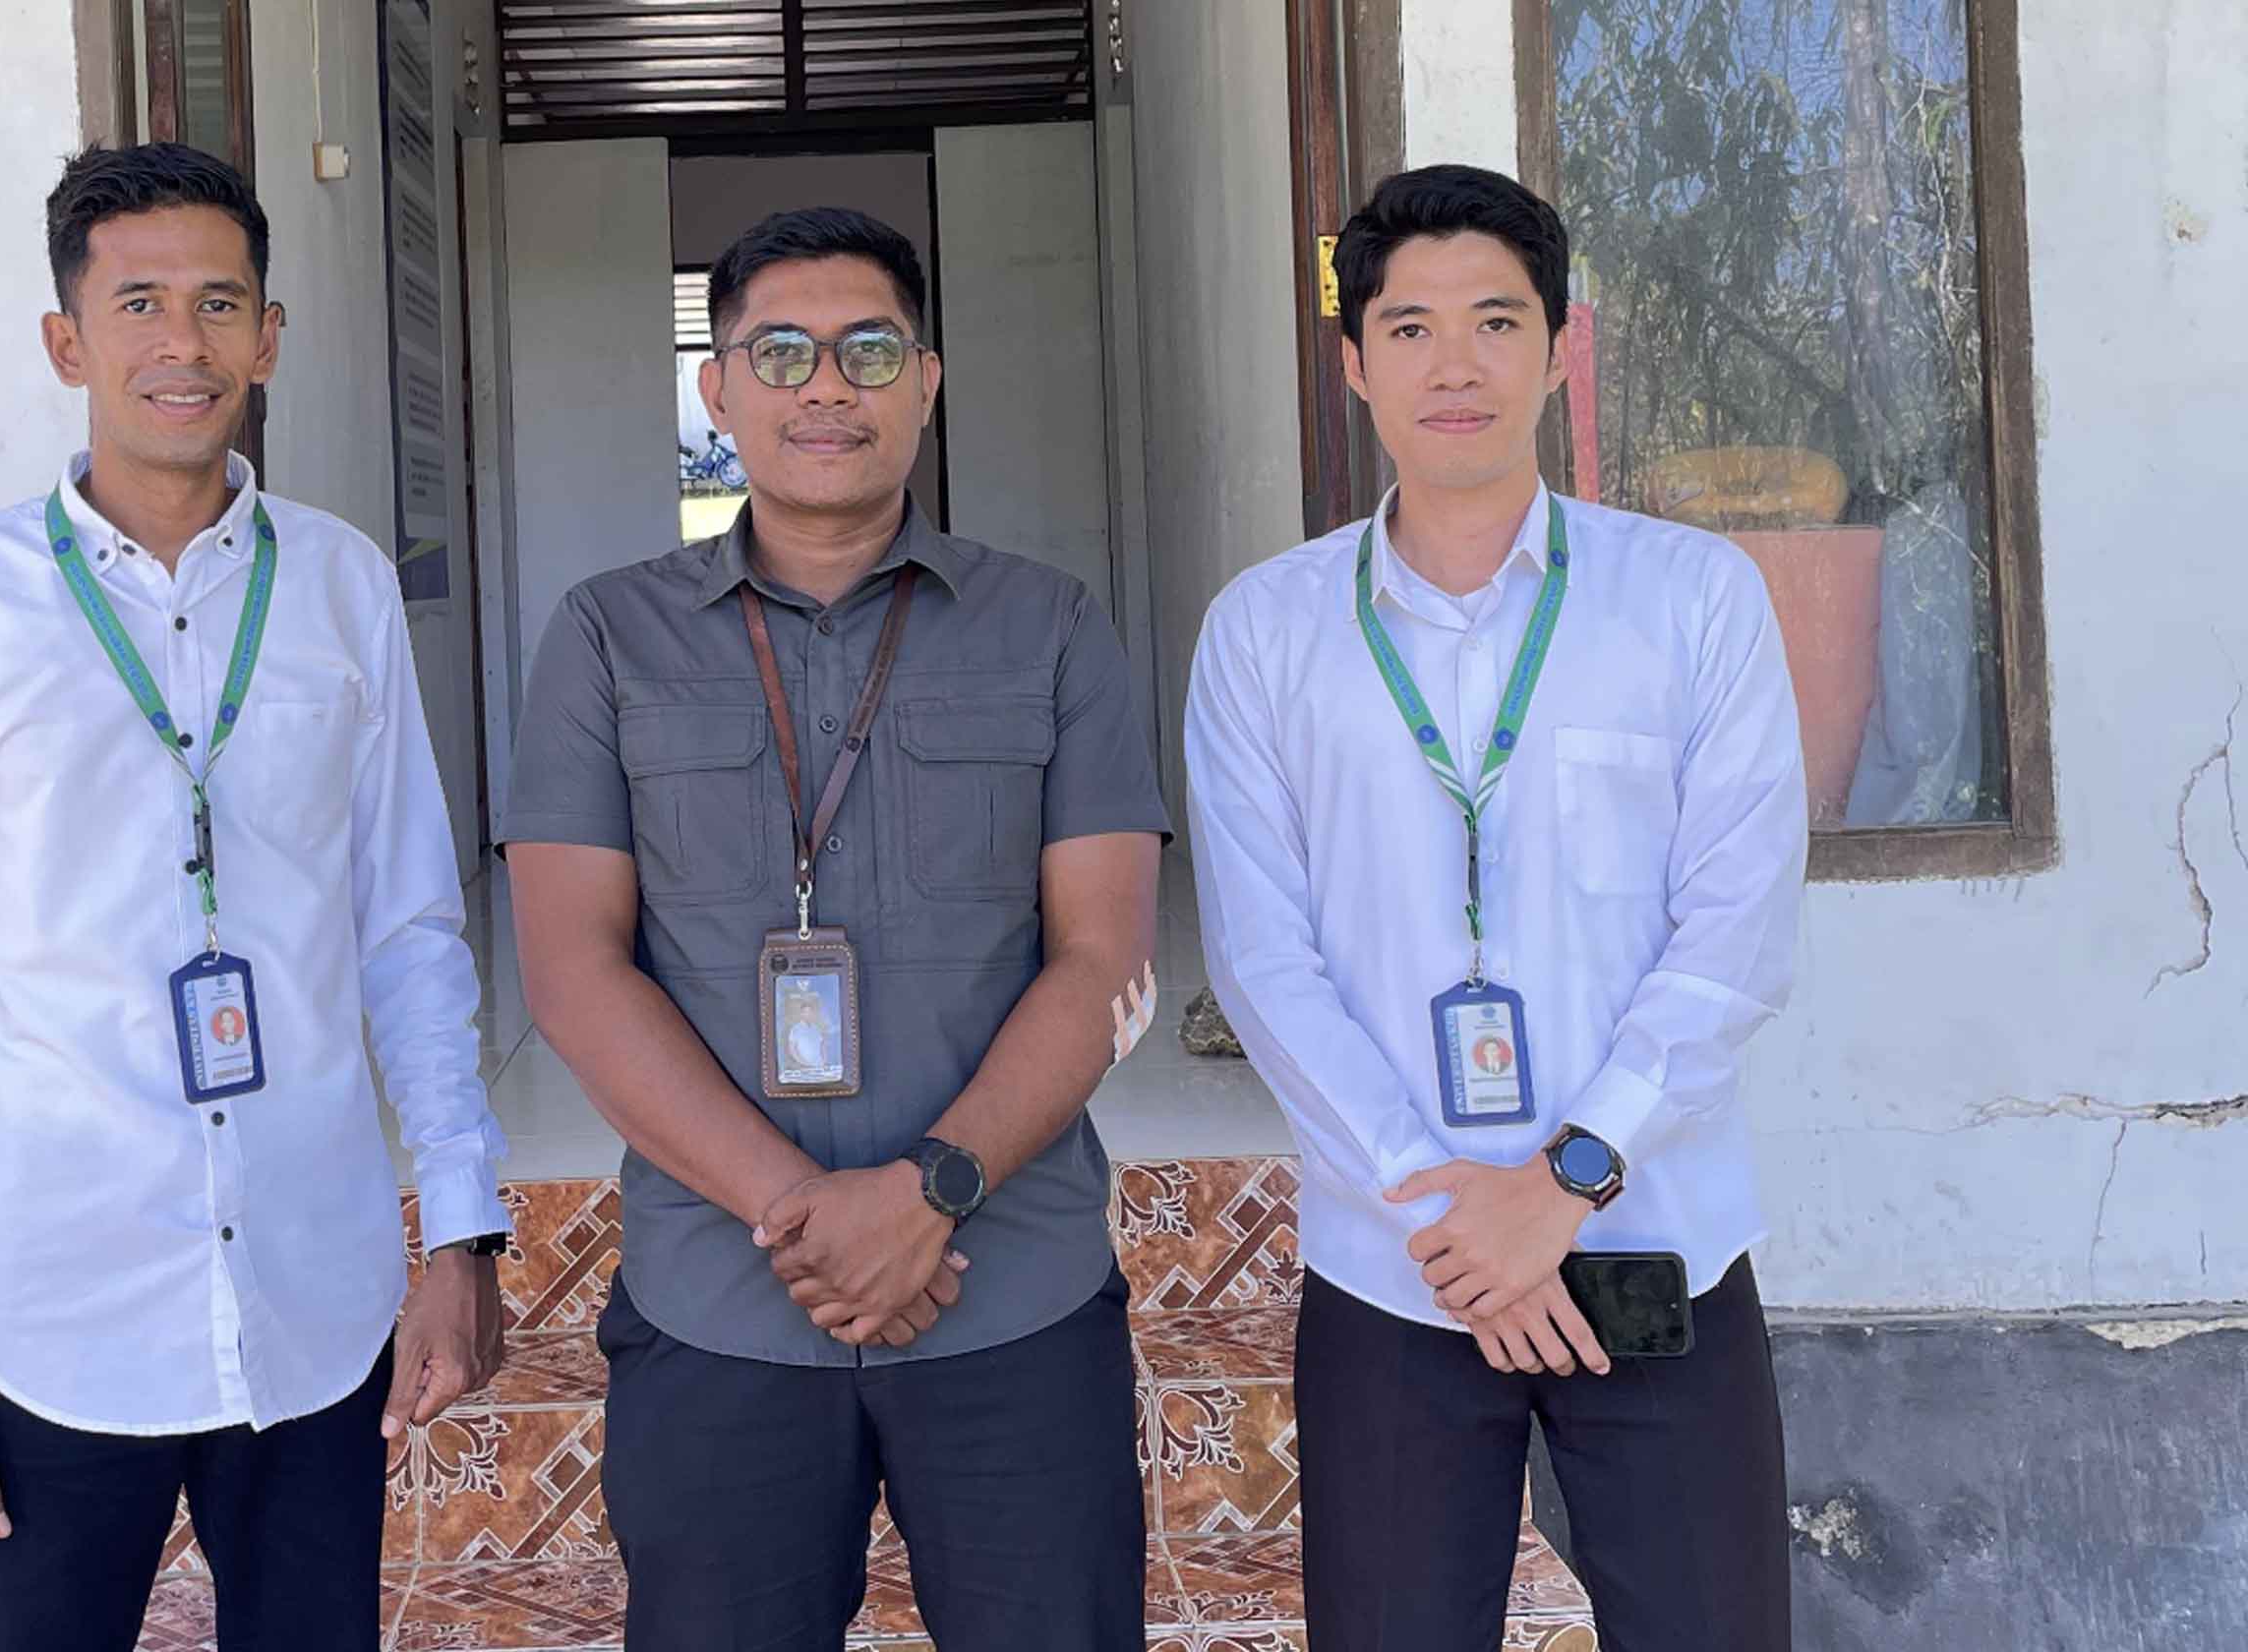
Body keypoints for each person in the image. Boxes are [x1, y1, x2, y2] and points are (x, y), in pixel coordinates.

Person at [0, 143, 511, 1652]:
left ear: (269, 337)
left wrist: (460, 1231)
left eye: (219, 304)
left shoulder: (341, 588)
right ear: (67, 342)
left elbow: (409, 930)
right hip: (53, 1323)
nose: (181, 343)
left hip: (315, 1304)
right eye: (137, 303)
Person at [500, 206, 1168, 1649]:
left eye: (869, 351)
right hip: (723, 1306)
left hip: (1010, 1296)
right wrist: (806, 1218)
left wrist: (928, 1194)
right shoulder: (606, 637)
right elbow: (571, 968)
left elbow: (1104, 957)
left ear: (926, 381)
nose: (825, 387)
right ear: (716, 388)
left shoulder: (1051, 627)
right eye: (779, 352)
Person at [1183, 163, 1805, 1651]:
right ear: (1353, 362)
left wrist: (1563, 1184)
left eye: (1495, 321)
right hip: (1398, 1277)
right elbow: (1263, 959)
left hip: (1648, 1244)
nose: (1453, 365)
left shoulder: (1692, 599)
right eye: (1409, 328)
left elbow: (1736, 927)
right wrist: (1448, 1209)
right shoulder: (1266, 631)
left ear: (1560, 346)